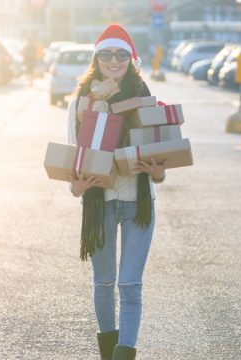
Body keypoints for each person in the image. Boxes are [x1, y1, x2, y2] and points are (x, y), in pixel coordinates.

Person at [66, 25, 166, 360]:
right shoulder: (81, 103)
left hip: (138, 202)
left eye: (121, 54)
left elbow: (161, 166)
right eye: (107, 53)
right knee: (105, 282)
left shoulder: (144, 97)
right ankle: (108, 353)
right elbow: (74, 160)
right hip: (101, 203)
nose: (114, 60)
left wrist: (158, 171)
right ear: (97, 58)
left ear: (131, 59)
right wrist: (76, 187)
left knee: (130, 285)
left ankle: (124, 356)